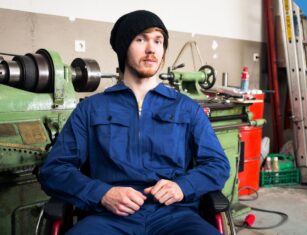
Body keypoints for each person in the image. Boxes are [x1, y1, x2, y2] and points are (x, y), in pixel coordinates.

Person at [39, 10, 230, 235]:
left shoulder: (186, 109)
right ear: (123, 48)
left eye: (158, 41)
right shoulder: (91, 109)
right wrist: (102, 193)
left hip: (175, 217)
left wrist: (182, 187)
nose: (151, 49)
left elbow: (218, 165)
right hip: (108, 218)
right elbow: (54, 170)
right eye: (141, 39)